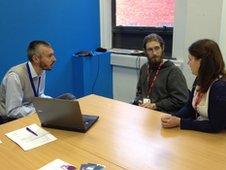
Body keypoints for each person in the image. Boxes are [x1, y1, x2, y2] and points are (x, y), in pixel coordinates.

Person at [0, 40, 75, 123]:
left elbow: (39, 95)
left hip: (32, 108)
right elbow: (13, 111)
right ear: (36, 59)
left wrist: (53, 103)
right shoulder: (15, 76)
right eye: (50, 56)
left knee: (68, 98)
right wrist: (42, 111)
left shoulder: (42, 69)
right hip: (9, 118)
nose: (54, 59)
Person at [161, 39, 226, 133]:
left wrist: (181, 122)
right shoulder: (200, 79)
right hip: (202, 133)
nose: (188, 63)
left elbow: (214, 126)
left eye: (190, 59)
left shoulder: (220, 87)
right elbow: (189, 108)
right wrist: (174, 117)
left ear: (202, 62)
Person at [134, 33, 189, 113]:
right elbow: (139, 91)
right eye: (150, 49)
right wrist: (139, 101)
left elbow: (180, 100)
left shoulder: (173, 71)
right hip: (145, 111)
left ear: (162, 48)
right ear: (145, 51)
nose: (154, 53)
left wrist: (155, 105)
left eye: (157, 48)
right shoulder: (144, 68)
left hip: (164, 115)